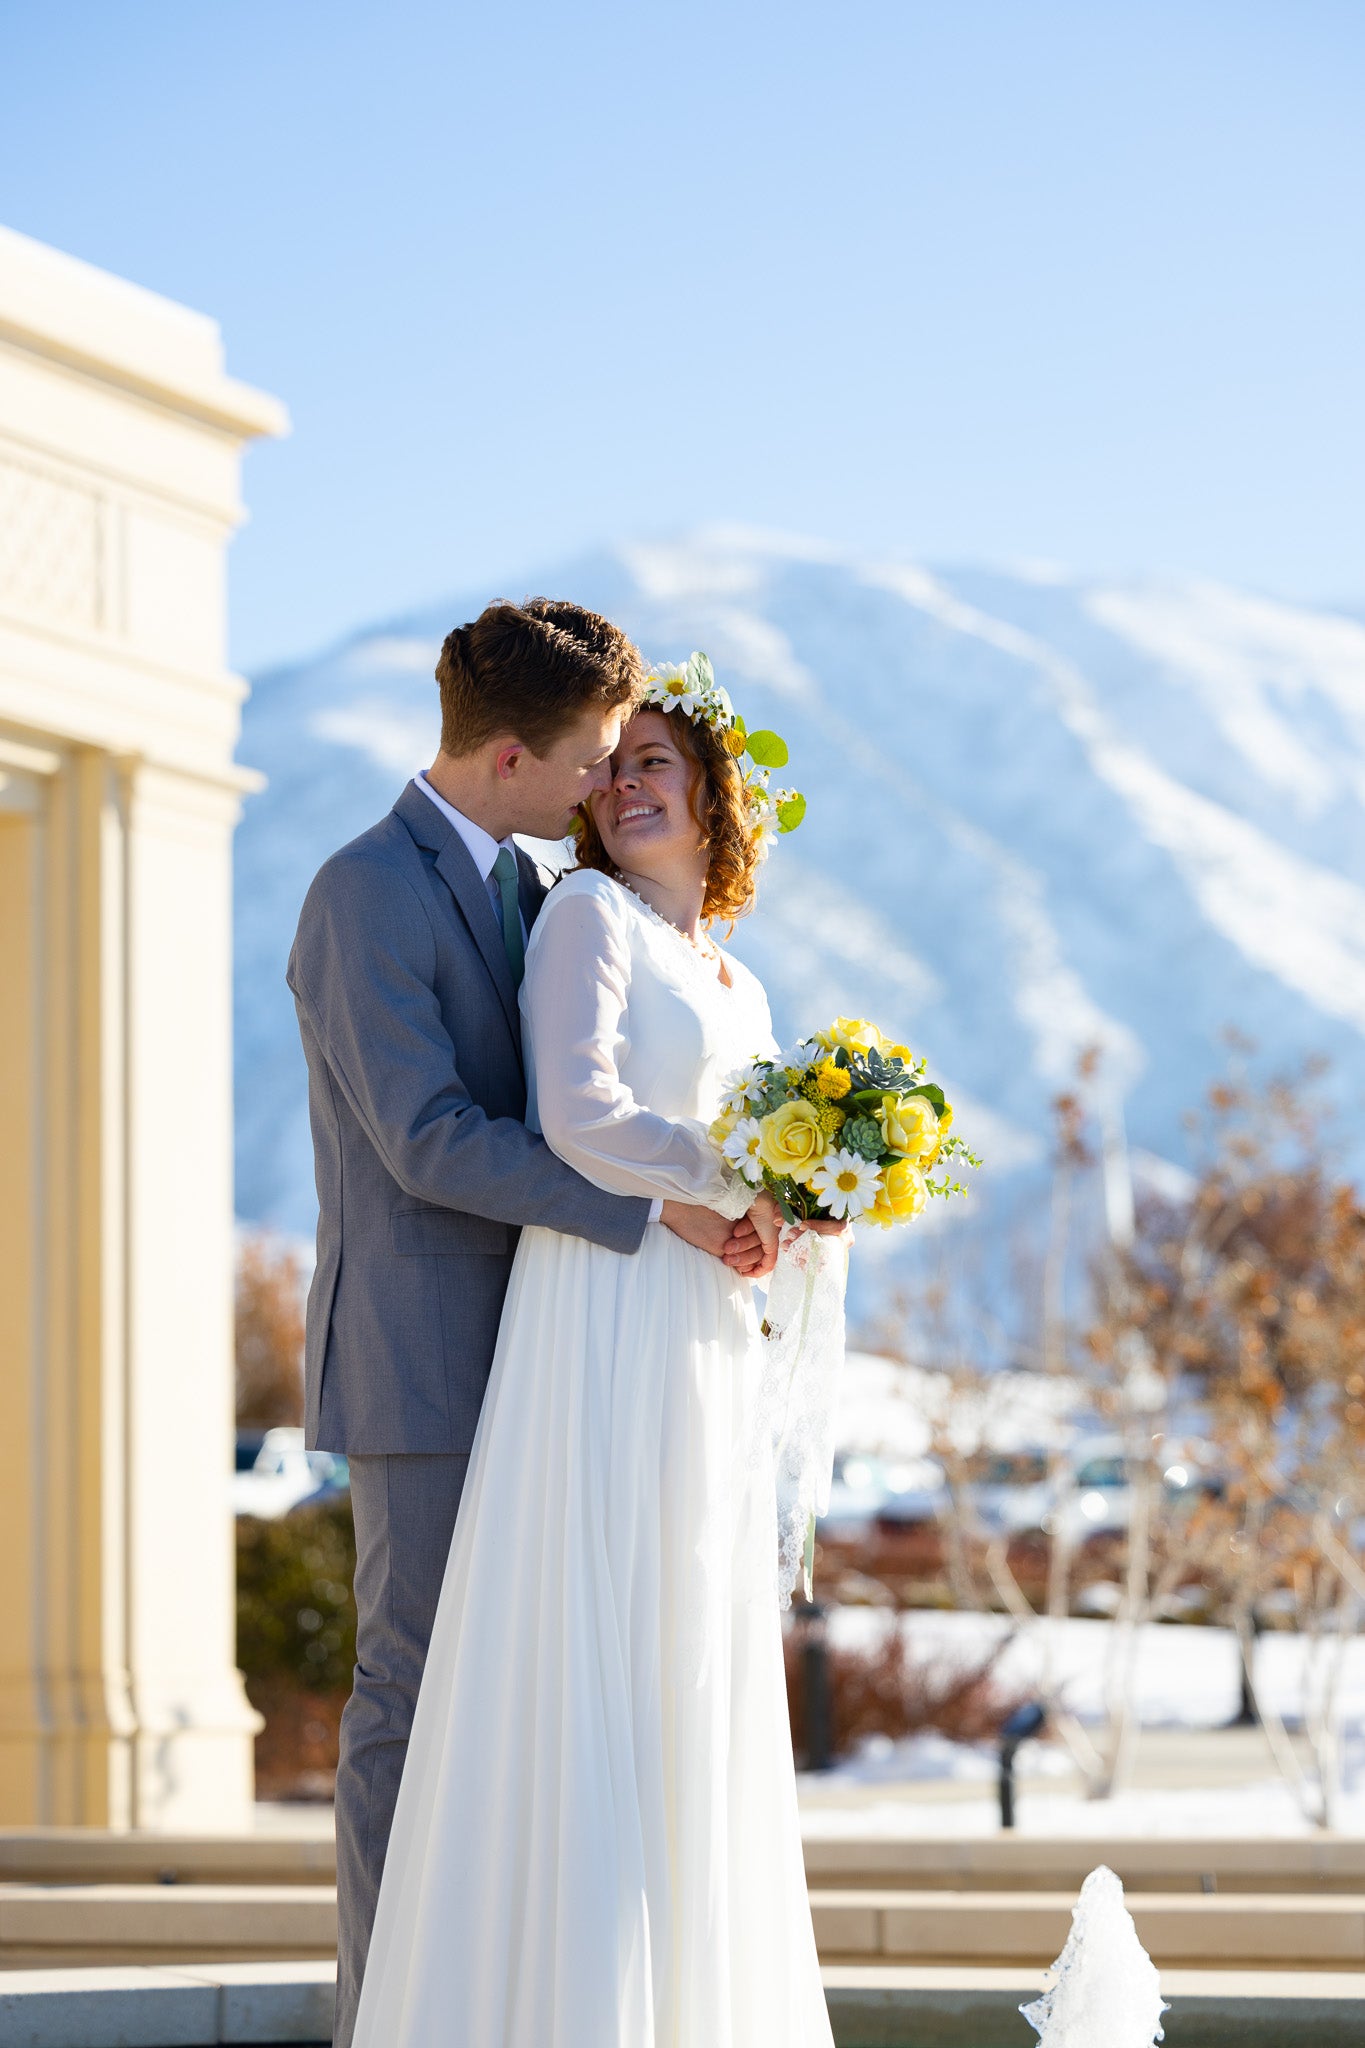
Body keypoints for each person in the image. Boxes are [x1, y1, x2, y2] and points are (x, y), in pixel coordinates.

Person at [286, 601, 773, 2048]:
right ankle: (391, 2017)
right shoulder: (365, 892)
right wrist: (657, 1210)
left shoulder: (525, 890)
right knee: (418, 1702)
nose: (602, 787)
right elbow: (428, 1138)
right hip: (429, 1360)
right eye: (587, 762)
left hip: (559, 1350)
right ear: (511, 753)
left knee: (538, 1703)